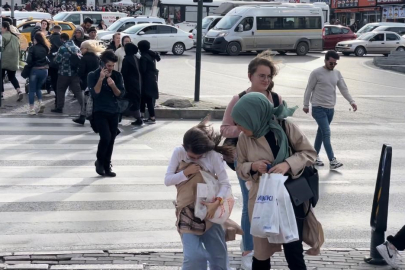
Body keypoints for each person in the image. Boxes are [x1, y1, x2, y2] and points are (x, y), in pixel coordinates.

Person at [233, 92, 317, 270]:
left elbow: (309, 153)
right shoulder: (244, 139)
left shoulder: (286, 128)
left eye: (242, 122)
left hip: (290, 196)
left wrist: (287, 164)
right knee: (261, 253)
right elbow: (240, 167)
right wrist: (253, 166)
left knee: (293, 250)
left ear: (254, 116)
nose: (239, 127)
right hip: (263, 201)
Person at [220, 51, 282, 270]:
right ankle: (248, 249)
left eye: (269, 76)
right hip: (245, 160)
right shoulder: (239, 99)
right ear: (250, 76)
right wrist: (248, 129)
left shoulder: (275, 99)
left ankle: (264, 249)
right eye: (261, 76)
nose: (266, 80)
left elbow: (283, 129)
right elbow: (225, 128)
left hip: (271, 163)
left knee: (267, 204)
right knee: (250, 204)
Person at [164, 123, 233, 270]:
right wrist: (185, 172)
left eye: (199, 156)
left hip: (210, 211)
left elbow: (225, 184)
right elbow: (167, 180)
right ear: (185, 147)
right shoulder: (178, 152)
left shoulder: (213, 156)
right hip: (186, 211)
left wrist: (217, 202)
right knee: (194, 257)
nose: (195, 158)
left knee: (218, 257)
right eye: (191, 156)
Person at [303, 50, 358, 170]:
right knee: (326, 133)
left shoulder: (337, 73)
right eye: (331, 63)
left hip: (330, 109)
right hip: (318, 108)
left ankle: (314, 156)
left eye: (335, 63)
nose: (333, 65)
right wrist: (306, 105)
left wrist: (352, 101)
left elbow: (344, 89)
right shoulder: (316, 73)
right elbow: (309, 89)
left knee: (321, 133)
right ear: (325, 60)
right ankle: (332, 160)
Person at [88, 50, 125, 177]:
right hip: (99, 111)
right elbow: (95, 94)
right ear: (102, 64)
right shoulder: (92, 75)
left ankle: (107, 165)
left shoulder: (117, 76)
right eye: (108, 65)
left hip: (114, 111)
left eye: (113, 66)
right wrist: (101, 79)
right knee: (106, 137)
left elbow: (120, 95)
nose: (111, 68)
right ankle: (100, 161)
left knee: (112, 139)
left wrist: (113, 85)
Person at [52, 33, 85, 122]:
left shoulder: (62, 48)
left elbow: (57, 61)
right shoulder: (77, 48)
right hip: (74, 74)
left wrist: (53, 58)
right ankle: (84, 107)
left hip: (63, 73)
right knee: (77, 92)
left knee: (60, 90)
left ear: (62, 39)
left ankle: (59, 107)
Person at [26, 32, 51, 115]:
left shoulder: (32, 48)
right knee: (38, 88)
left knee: (32, 90)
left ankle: (32, 109)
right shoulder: (46, 48)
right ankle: (41, 103)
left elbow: (29, 60)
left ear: (35, 39)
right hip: (44, 71)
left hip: (35, 70)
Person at [138, 40, 160, 124]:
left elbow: (143, 70)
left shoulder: (143, 57)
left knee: (147, 99)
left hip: (146, 80)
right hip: (151, 79)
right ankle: (145, 116)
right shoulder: (151, 54)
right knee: (147, 99)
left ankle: (151, 117)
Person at [121, 43, 143, 126]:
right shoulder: (135, 58)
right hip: (137, 83)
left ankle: (138, 118)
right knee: (135, 100)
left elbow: (124, 73)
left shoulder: (127, 59)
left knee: (132, 101)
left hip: (130, 84)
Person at [1, 22, 23, 102]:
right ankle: (19, 91)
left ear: (5, 28)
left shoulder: (3, 37)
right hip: (13, 61)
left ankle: (1, 94)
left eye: (1, 28)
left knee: (1, 77)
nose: (1, 29)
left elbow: (1, 48)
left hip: (3, 61)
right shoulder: (16, 38)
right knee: (12, 77)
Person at [48, 24, 63, 102]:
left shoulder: (49, 38)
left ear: (53, 30)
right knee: (60, 80)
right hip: (60, 63)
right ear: (60, 30)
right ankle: (59, 96)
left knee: (53, 80)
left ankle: (56, 93)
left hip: (51, 63)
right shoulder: (62, 39)